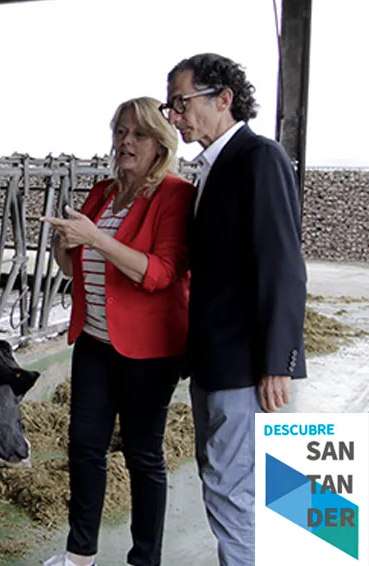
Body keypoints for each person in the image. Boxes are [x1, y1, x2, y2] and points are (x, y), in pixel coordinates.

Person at [162, 53, 307, 566]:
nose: (174, 117)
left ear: (223, 99)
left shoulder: (257, 158)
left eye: (181, 103)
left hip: (242, 362)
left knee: (228, 485)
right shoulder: (213, 168)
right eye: (171, 106)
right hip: (213, 357)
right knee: (223, 477)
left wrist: (277, 361)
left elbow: (283, 264)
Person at [39, 96, 195, 566]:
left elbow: (161, 273)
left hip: (149, 349)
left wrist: (96, 238)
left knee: (142, 453)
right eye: (121, 132)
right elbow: (73, 268)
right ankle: (79, 556)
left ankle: (144, 560)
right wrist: (64, 244)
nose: (126, 142)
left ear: (160, 144)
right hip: (95, 341)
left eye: (139, 134)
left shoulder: (174, 195)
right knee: (85, 446)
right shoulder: (104, 192)